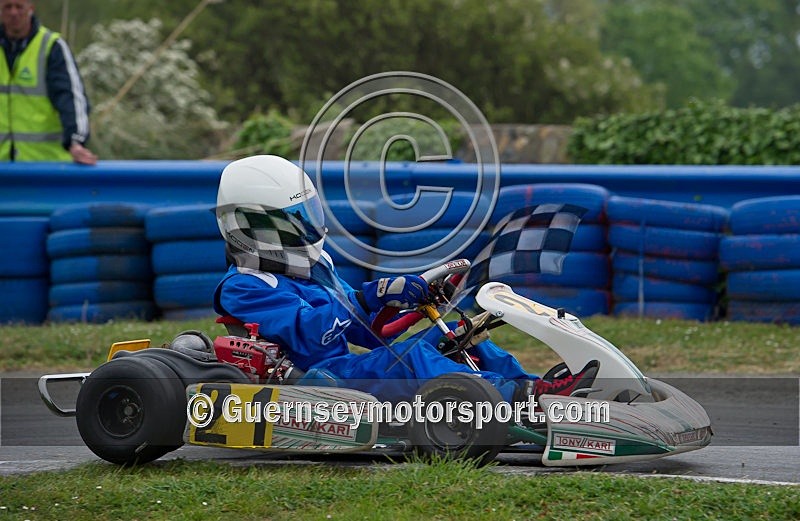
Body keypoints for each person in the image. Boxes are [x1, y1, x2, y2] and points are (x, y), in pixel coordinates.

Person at [212, 155, 598, 404]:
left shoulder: (314, 268)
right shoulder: (244, 287)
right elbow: (309, 332)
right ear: (251, 228)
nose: (306, 228)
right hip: (318, 385)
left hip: (348, 369)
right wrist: (370, 296)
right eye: (292, 222)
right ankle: (516, 399)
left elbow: (367, 334)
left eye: (306, 215)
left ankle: (534, 388)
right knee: (415, 358)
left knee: (457, 337)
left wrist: (409, 302)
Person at [0, 0, 97, 164]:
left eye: (19, 7)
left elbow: (71, 97)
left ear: (31, 8)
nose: (13, 13)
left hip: (46, 165)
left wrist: (76, 142)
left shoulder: (52, 47)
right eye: (7, 7)